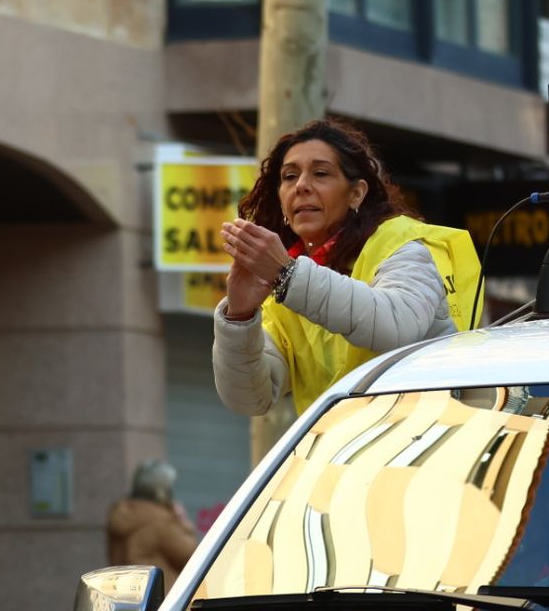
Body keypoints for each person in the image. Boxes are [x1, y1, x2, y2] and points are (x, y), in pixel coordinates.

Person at [213, 118, 482, 416]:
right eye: (289, 176)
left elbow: (395, 326)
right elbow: (249, 400)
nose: (301, 186)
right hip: (345, 457)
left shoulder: (402, 247)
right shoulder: (288, 281)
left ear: (356, 193)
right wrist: (239, 316)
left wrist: (286, 274)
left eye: (321, 173)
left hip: (424, 448)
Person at [106, 459, 200, 584]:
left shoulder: (121, 513)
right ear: (161, 489)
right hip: (161, 597)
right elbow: (192, 557)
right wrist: (181, 520)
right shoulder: (160, 520)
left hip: (128, 595)